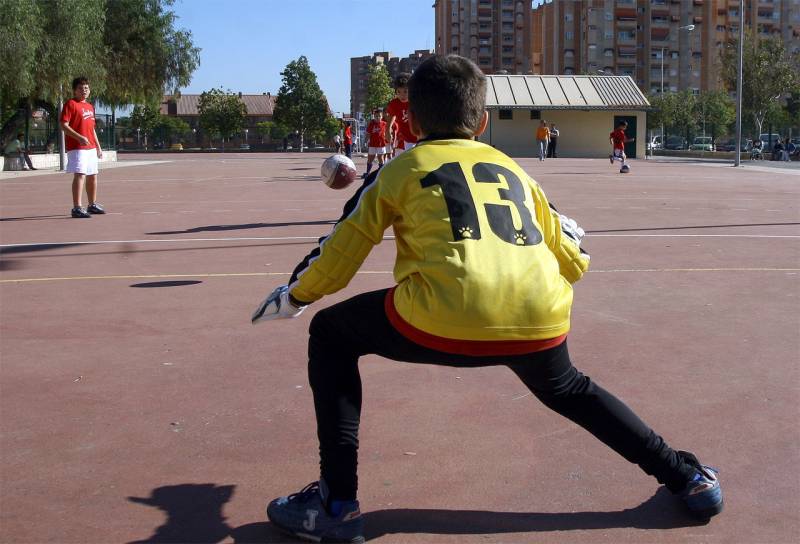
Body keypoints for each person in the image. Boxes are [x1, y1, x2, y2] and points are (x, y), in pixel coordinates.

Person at [252, 54, 723, 543]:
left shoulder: (398, 170)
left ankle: (336, 505)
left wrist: (295, 296)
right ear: (481, 121)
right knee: (570, 389)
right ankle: (687, 479)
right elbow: (573, 255)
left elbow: (341, 252)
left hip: (438, 316)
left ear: (409, 120)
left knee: (330, 334)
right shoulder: (514, 171)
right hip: (538, 314)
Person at [61, 77, 105, 218]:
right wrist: (79, 137)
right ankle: (77, 207)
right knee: (80, 175)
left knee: (93, 176)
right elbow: (63, 125)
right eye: (80, 88)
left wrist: (98, 147)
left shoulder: (90, 107)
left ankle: (92, 204)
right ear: (74, 90)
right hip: (77, 147)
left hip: (91, 148)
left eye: (86, 88)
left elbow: (92, 130)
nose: (84, 90)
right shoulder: (70, 104)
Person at [385, 72, 418, 156]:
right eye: (398, 92)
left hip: (420, 137)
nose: (402, 95)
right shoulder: (394, 104)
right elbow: (391, 116)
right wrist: (388, 129)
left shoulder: (416, 101)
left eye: (405, 92)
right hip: (407, 138)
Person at [363, 109, 387, 178]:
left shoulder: (384, 124)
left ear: (382, 116)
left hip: (381, 144)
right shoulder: (371, 124)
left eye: (379, 116)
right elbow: (368, 134)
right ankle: (367, 172)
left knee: (380, 158)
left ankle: (381, 173)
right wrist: (365, 141)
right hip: (372, 144)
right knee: (370, 158)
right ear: (374, 116)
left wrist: (390, 139)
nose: (378, 117)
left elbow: (388, 132)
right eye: (376, 116)